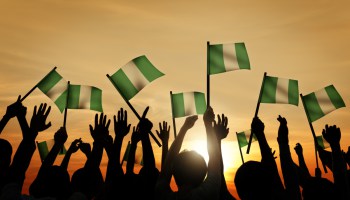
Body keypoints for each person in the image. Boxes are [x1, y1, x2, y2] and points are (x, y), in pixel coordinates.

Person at [155, 106, 222, 200]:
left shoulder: (163, 197)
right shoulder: (209, 193)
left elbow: (168, 163)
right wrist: (208, 123)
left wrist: (184, 128)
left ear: (173, 171)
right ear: (204, 173)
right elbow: (214, 156)